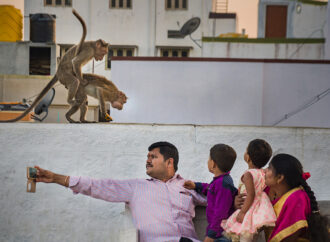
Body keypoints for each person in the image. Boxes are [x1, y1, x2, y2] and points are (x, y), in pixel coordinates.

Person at [35, 141, 207, 242]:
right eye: (147, 157)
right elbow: (97, 186)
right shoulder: (136, 187)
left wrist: (235, 200)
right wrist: (57, 178)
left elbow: (217, 198)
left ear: (169, 162)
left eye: (153, 157)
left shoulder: (188, 186)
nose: (147, 161)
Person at [264, 153, 329, 242]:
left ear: (279, 178)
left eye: (269, 168)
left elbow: (288, 237)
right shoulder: (268, 190)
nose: (264, 171)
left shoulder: (296, 198)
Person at [221, 139, 276, 242]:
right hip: (258, 208)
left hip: (248, 208)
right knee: (251, 236)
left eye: (246, 150)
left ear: (248, 157)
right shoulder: (263, 172)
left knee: (243, 236)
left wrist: (242, 212)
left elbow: (251, 194)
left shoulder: (248, 174)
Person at [183, 144, 238, 242]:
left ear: (213, 164)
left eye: (209, 159)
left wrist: (211, 235)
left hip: (222, 234)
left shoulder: (224, 184)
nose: (208, 161)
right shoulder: (220, 181)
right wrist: (196, 186)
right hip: (217, 232)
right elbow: (209, 188)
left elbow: (220, 213)